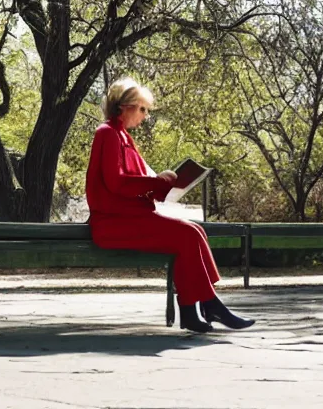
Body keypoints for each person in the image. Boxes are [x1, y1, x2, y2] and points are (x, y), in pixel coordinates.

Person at [85, 77, 255, 333]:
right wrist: (155, 182)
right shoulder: (108, 134)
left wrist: (165, 183)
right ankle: (205, 305)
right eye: (142, 109)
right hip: (113, 223)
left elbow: (137, 184)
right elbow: (116, 183)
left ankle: (197, 308)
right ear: (124, 107)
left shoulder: (123, 137)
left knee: (194, 231)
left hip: (131, 218)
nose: (145, 116)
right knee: (186, 234)